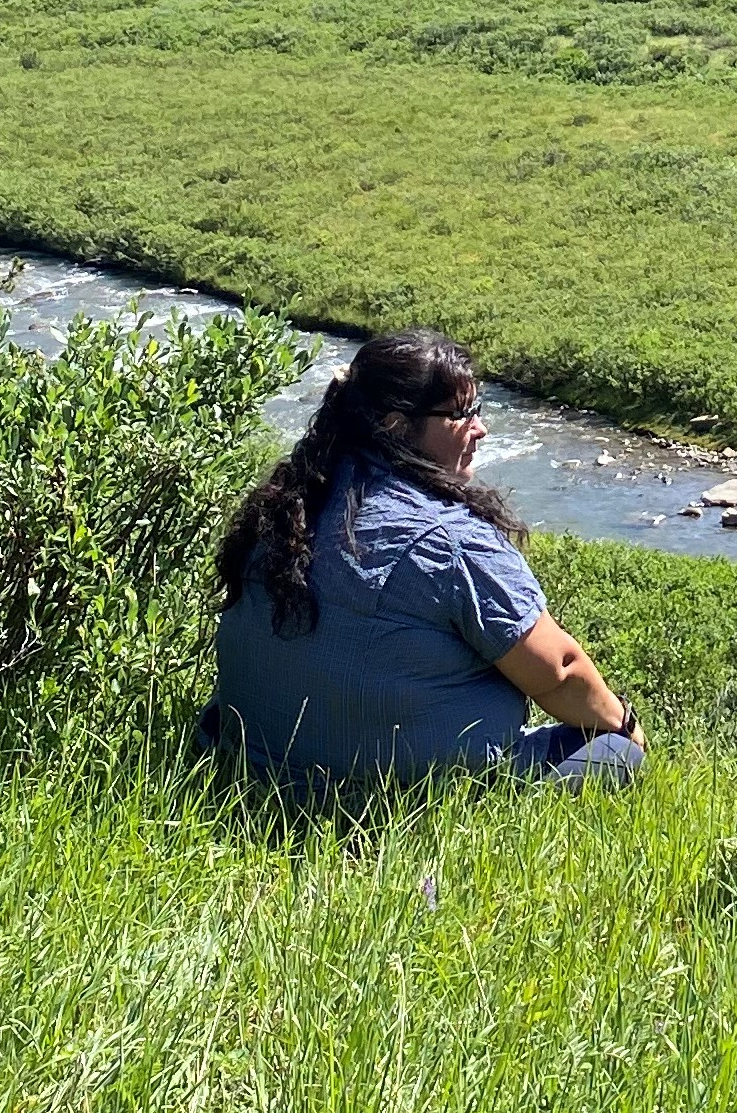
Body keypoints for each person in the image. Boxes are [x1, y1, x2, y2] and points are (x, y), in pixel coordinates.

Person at [208, 328, 645, 792]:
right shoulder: (449, 540)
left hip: (251, 769)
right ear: (396, 425)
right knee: (618, 754)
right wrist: (626, 728)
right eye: (461, 414)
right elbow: (558, 669)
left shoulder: (287, 504)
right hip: (392, 795)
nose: (480, 428)